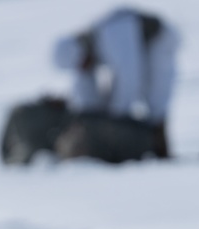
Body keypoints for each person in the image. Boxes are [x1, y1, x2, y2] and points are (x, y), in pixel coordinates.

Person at [53, 7, 180, 159]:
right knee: (119, 102)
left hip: (160, 41)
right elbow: (86, 91)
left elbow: (129, 78)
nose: (85, 68)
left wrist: (117, 120)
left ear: (82, 53)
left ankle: (161, 148)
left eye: (83, 63)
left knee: (155, 100)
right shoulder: (87, 53)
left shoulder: (113, 34)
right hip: (138, 52)